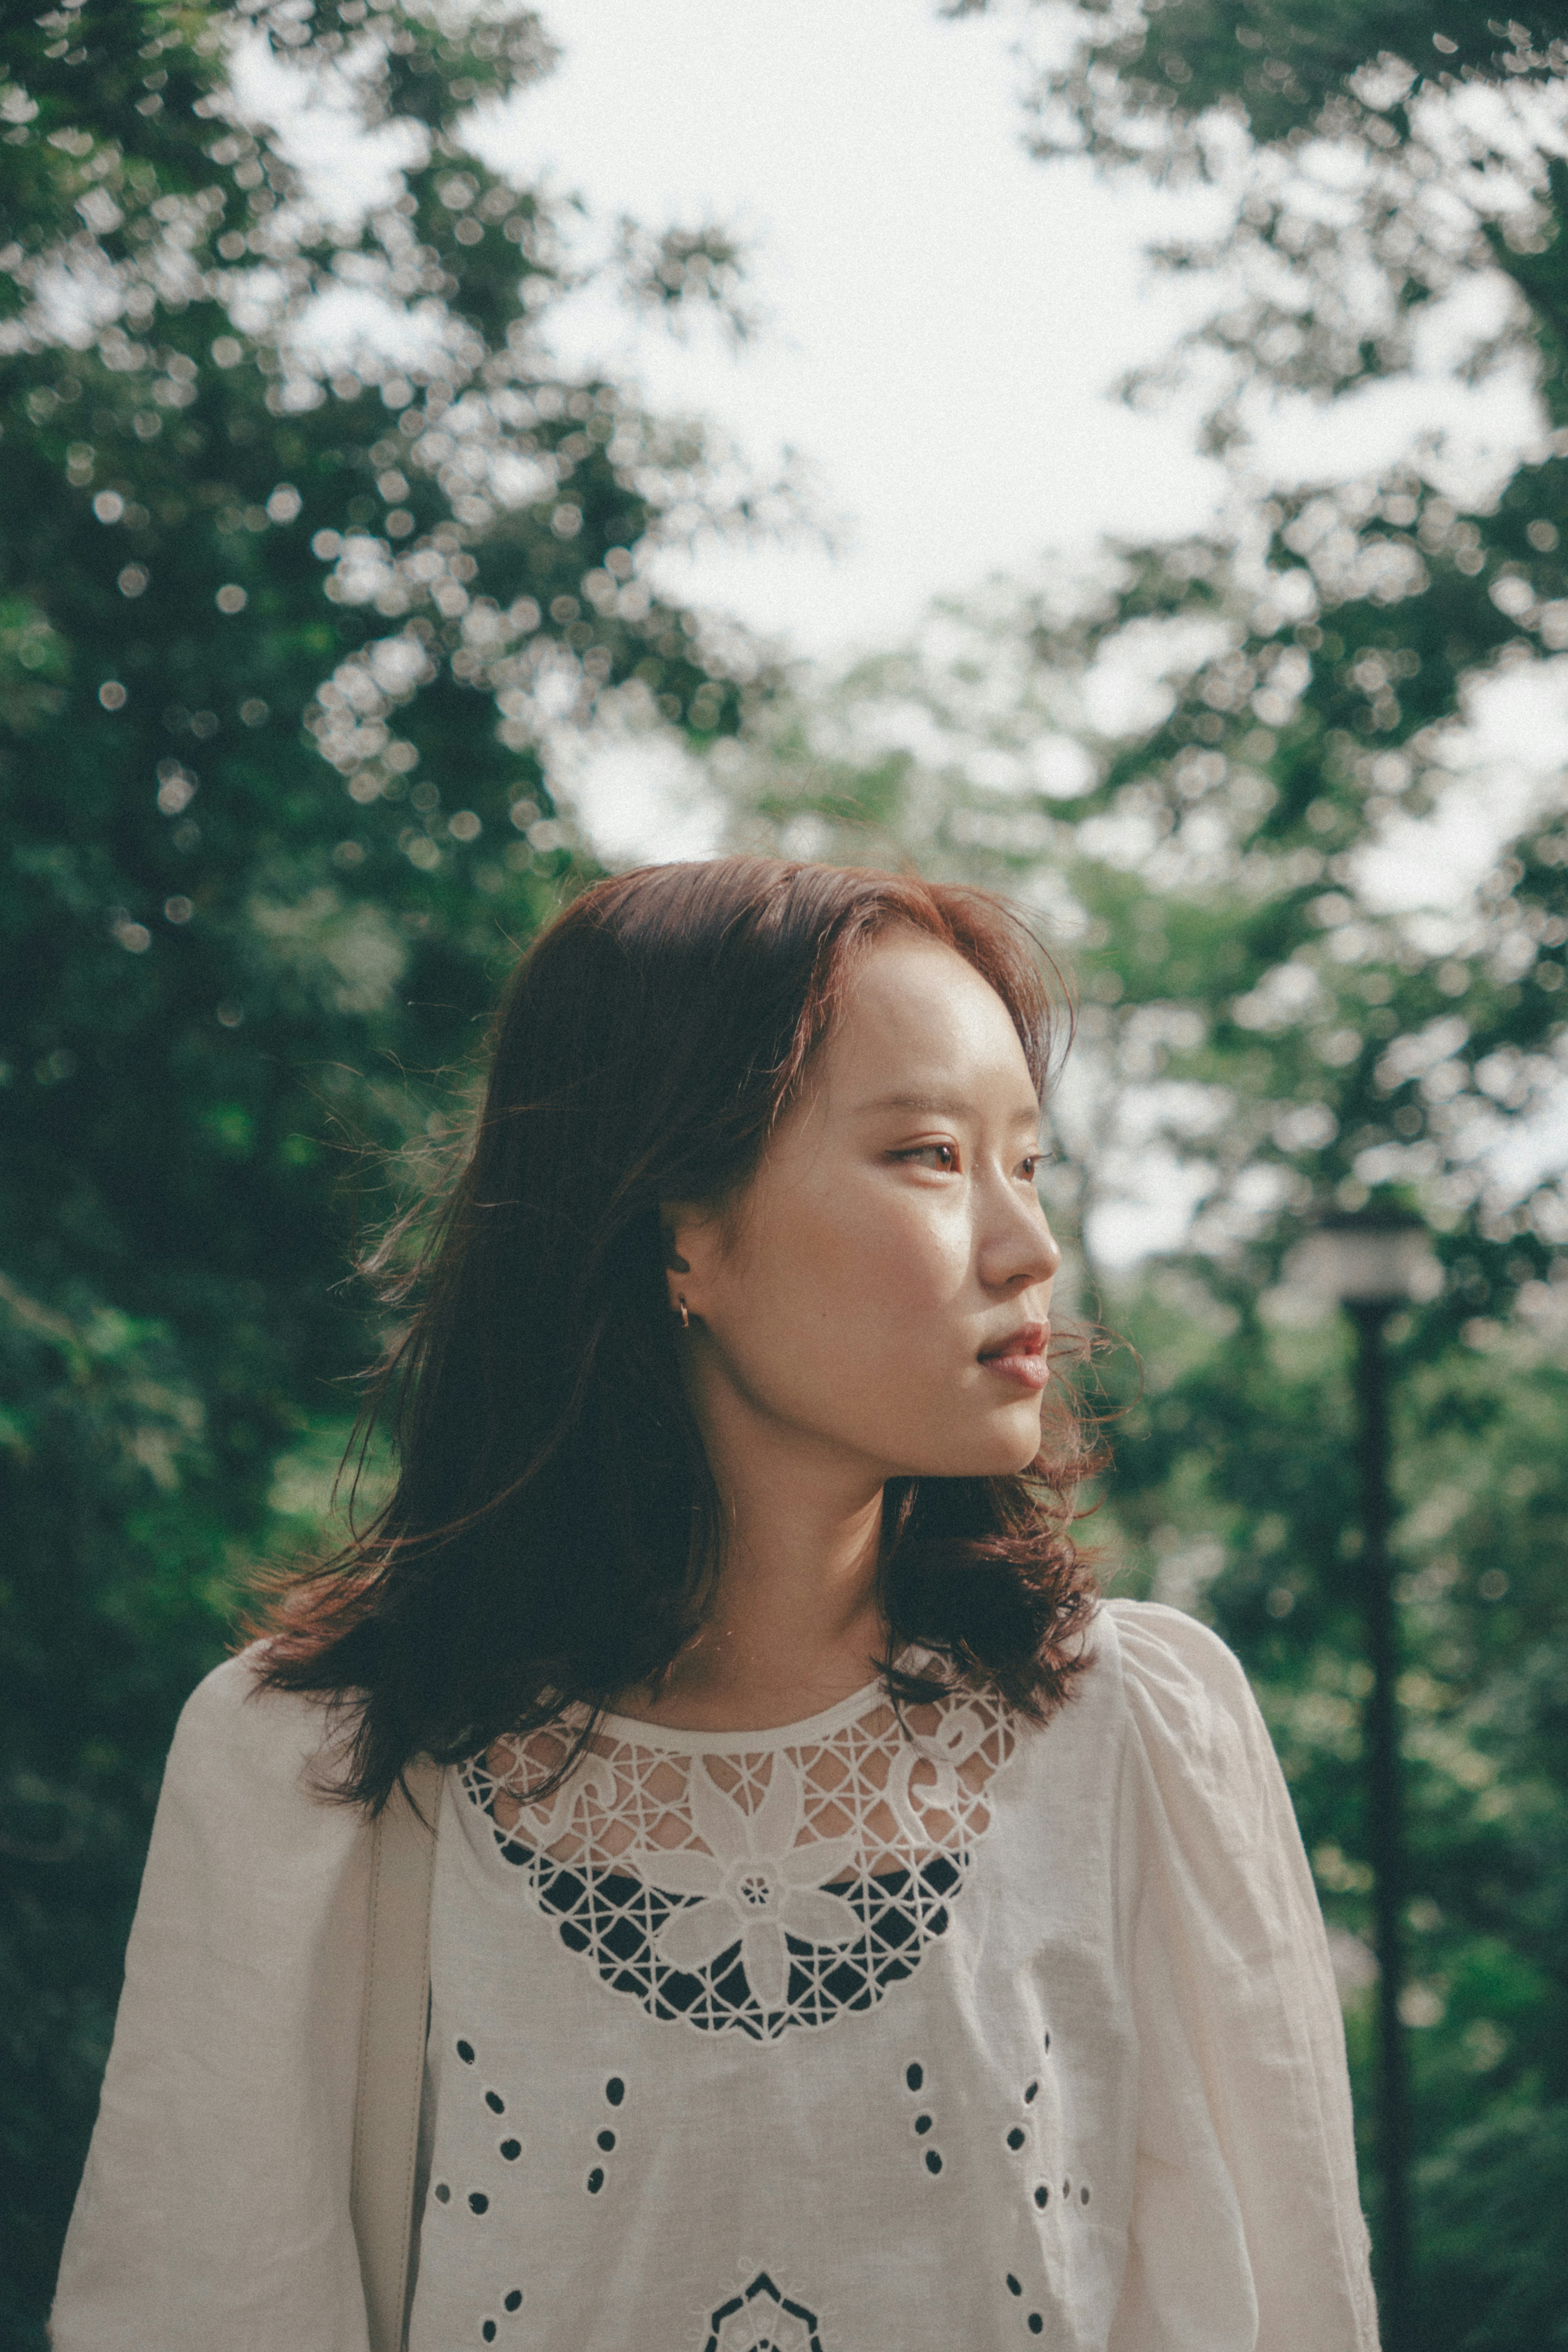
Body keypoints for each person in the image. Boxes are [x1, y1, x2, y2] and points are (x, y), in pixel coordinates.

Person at [51, 858, 1379, 2352]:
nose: (1028, 1247)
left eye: (1030, 1161)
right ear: (680, 1226)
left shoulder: (1140, 1732)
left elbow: (1281, 2307)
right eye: (933, 1156)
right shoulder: (312, 1774)